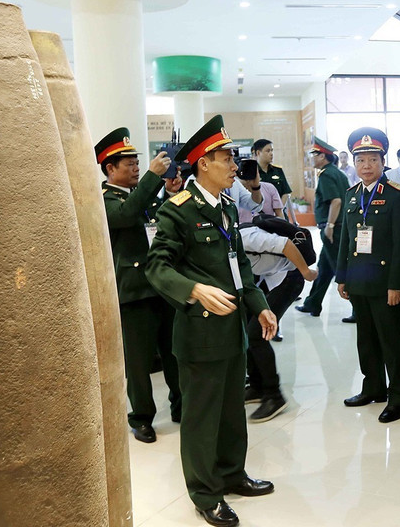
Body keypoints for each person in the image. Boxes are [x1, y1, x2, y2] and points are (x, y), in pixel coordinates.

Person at [145, 115, 277, 527]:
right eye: (226, 158)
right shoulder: (179, 210)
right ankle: (205, 493)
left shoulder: (224, 206)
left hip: (232, 329)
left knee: (231, 412)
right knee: (203, 417)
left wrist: (259, 304)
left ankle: (232, 473)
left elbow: (240, 268)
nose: (234, 165)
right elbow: (156, 266)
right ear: (203, 162)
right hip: (200, 331)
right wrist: (194, 290)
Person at [95, 127, 182, 444]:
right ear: (110, 169)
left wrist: (169, 192)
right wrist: (152, 178)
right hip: (133, 292)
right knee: (138, 362)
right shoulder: (105, 201)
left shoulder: (139, 196)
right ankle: (141, 418)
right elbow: (126, 216)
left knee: (173, 353)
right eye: (128, 163)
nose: (135, 168)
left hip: (161, 286)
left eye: (136, 162)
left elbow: (157, 217)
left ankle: (180, 406)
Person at [335, 127, 400, 423]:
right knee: (366, 340)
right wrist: (342, 277)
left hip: (385, 285)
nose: (366, 167)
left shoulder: (396, 195)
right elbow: (345, 239)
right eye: (360, 161)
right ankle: (373, 388)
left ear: (383, 162)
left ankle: (398, 397)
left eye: (372, 160)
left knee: (392, 342)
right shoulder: (351, 195)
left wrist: (396, 284)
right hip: (358, 281)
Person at [240, 223, 318, 422]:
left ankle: (274, 396)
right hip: (265, 280)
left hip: (290, 276)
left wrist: (306, 272)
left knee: (257, 333)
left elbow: (285, 245)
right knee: (246, 329)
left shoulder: (244, 237)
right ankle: (257, 386)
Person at [296, 138, 349, 317]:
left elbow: (336, 201)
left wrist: (330, 226)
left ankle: (360, 308)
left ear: (324, 156)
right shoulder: (337, 173)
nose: (312, 158)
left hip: (334, 228)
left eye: (315, 154)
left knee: (342, 269)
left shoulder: (326, 174)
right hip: (339, 227)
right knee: (325, 267)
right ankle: (313, 303)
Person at [251, 139, 292, 217]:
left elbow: (285, 192)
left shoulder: (278, 170)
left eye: (272, 151)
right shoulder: (252, 172)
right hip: (258, 216)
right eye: (268, 151)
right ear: (258, 153)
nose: (271, 154)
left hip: (278, 214)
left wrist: (279, 208)